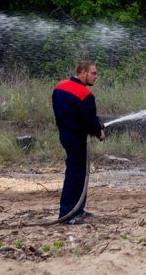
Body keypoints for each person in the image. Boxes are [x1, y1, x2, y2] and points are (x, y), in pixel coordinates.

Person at [51, 62, 105, 224]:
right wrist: (99, 131)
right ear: (82, 73)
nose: (96, 77)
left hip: (66, 135)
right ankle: (67, 214)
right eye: (93, 73)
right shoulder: (85, 94)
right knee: (75, 174)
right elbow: (89, 120)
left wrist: (94, 126)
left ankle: (78, 209)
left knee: (79, 172)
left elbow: (73, 114)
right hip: (77, 139)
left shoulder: (59, 87)